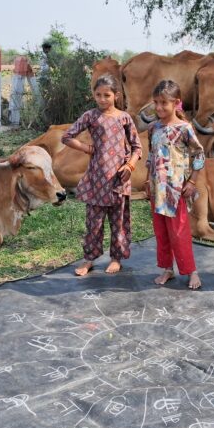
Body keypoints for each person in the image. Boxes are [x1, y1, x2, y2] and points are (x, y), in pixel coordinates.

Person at [62, 73, 142, 276]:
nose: (102, 99)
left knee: (119, 222)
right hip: (96, 180)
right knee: (94, 223)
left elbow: (137, 147)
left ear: (116, 95)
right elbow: (67, 137)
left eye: (107, 95)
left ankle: (116, 259)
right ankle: (89, 259)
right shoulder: (90, 116)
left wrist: (130, 166)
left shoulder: (124, 118)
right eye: (98, 95)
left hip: (119, 180)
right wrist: (87, 148)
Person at [145, 80, 205, 289]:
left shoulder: (184, 128)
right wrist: (147, 180)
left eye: (164, 103)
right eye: (156, 102)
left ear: (176, 102)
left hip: (175, 190)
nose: (159, 107)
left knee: (179, 232)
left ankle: (191, 271)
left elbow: (199, 154)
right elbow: (151, 157)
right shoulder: (153, 128)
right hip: (157, 190)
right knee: (161, 232)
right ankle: (167, 269)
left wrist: (192, 181)